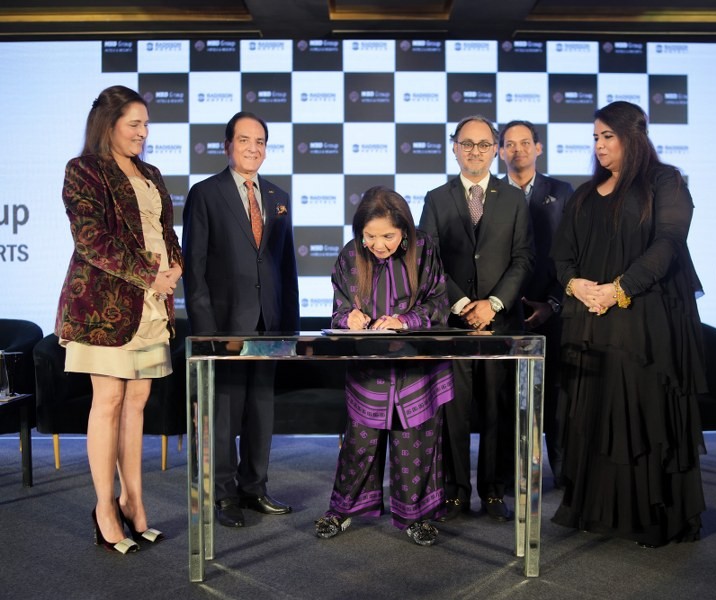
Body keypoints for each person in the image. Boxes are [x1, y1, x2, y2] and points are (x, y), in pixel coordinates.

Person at [550, 100, 707, 548]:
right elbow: (561, 256)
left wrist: (619, 289)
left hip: (644, 324)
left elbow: (668, 243)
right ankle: (599, 512)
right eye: (595, 138)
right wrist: (576, 285)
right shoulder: (584, 194)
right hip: (590, 323)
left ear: (633, 137)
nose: (599, 146)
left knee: (641, 414)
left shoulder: (665, 181)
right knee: (596, 414)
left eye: (608, 136)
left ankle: (650, 518)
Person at [55, 85, 183, 554]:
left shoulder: (150, 173)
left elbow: (165, 231)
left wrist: (176, 266)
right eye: (135, 124)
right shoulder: (84, 170)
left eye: (146, 124)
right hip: (103, 308)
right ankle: (104, 509)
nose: (143, 132)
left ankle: (134, 501)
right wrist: (151, 275)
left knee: (137, 403)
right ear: (108, 124)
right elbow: (92, 240)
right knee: (108, 401)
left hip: (151, 306)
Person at [314, 186, 454, 546]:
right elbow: (338, 310)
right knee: (359, 443)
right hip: (370, 370)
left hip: (416, 369)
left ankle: (416, 516)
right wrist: (350, 318)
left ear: (404, 230)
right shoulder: (350, 256)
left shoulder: (424, 249)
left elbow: (439, 303)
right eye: (370, 236)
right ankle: (341, 510)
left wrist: (405, 320)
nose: (378, 245)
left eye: (388, 236)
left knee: (416, 444)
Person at [182, 111, 299, 528]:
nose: (253, 148)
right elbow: (194, 267)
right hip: (224, 324)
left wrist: (289, 327)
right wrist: (205, 330)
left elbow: (285, 266)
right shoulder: (205, 193)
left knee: (261, 410)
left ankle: (255, 488)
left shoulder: (278, 195)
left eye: (260, 141)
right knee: (224, 413)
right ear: (227, 145)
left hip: (269, 323)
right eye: (245, 140)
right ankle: (224, 494)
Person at [419, 115, 535, 522]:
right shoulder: (436, 198)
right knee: (453, 411)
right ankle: (454, 492)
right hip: (454, 324)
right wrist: (465, 303)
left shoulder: (514, 199)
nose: (475, 151)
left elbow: (523, 258)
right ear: (454, 148)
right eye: (466, 144)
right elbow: (427, 260)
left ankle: (492, 491)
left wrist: (494, 304)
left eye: (484, 144)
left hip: (501, 323)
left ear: (495, 150)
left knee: (497, 409)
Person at [499, 120, 574, 487]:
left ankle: (566, 477)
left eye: (525, 142)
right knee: (509, 398)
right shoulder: (491, 193)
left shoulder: (563, 192)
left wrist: (553, 303)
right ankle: (511, 479)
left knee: (558, 397)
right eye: (510, 144)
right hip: (505, 312)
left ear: (539, 147)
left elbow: (573, 254)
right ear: (501, 151)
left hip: (554, 310)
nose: (518, 150)